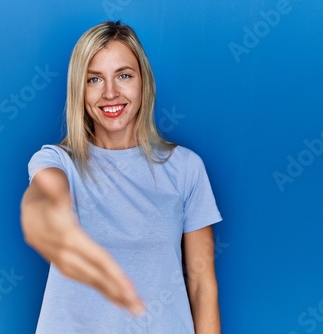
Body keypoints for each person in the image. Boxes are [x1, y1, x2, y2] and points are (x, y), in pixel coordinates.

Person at [21, 21, 222, 334]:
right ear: (79, 89)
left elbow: (201, 285)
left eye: (124, 75)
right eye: (94, 79)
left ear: (143, 81)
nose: (110, 93)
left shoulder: (185, 168)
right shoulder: (57, 161)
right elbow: (49, 185)